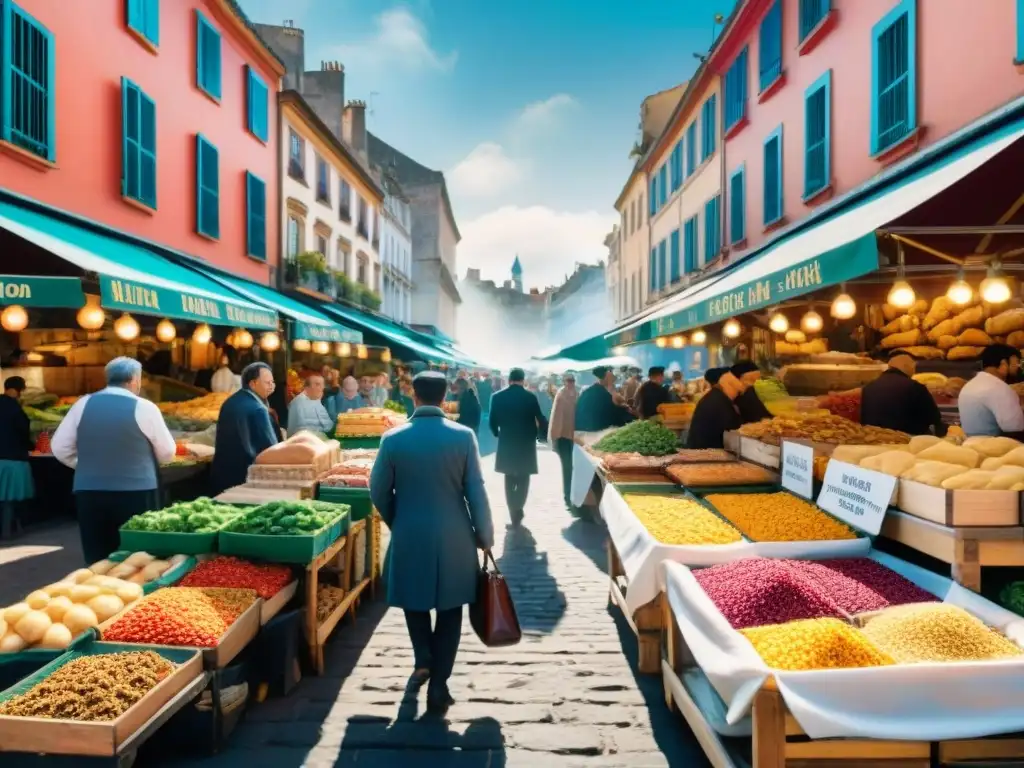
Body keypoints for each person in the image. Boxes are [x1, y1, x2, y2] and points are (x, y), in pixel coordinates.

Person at [369, 371, 493, 715]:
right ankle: (439, 684)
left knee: (415, 600)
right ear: (445, 398)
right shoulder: (464, 436)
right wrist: (485, 535)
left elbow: (378, 491)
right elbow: (476, 492)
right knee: (451, 611)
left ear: (413, 396)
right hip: (455, 536)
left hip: (410, 531)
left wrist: (399, 518)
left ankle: (423, 656)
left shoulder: (392, 439)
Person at [51, 358, 176, 562]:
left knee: (97, 555)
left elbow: (60, 447)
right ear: (135, 380)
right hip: (136, 492)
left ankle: (98, 590)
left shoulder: (82, 403)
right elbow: (167, 452)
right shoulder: (144, 407)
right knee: (137, 556)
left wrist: (84, 465)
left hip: (90, 492)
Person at [489, 368, 548, 526]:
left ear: (509, 379)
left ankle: (513, 509)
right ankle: (518, 507)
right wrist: (542, 434)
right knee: (524, 476)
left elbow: (492, 421)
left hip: (507, 441)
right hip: (526, 443)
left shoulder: (497, 397)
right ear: (523, 380)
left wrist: (497, 434)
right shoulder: (530, 397)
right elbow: (540, 418)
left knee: (509, 476)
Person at [210, 362, 279, 495]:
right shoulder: (259, 409)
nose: (271, 386)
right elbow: (272, 449)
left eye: (272, 382)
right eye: (267, 382)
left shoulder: (231, 401)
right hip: (245, 479)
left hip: (221, 476)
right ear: (252, 384)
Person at [860, 353, 946, 436]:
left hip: (874, 436)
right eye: (913, 367)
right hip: (905, 439)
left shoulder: (869, 386)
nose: (914, 371)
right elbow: (934, 418)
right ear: (907, 367)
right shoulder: (914, 387)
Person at [958, 344, 1024, 437]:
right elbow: (1015, 428)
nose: (1019, 368)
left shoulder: (969, 385)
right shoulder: (1000, 388)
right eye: (1016, 363)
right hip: (995, 448)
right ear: (1003, 365)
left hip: (970, 444)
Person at [0, 376, 35, 538]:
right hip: (13, 460)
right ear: (18, 390)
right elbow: (23, 434)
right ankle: (9, 530)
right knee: (10, 500)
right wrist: (31, 446)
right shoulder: (15, 410)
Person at [686, 368, 743, 450]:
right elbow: (732, 428)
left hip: (701, 449)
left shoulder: (714, 396)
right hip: (708, 453)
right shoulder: (720, 400)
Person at [548, 372, 579, 510]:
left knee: (572, 467)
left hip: (575, 437)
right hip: (565, 437)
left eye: (572, 380)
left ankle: (571, 494)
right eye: (568, 380)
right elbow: (556, 416)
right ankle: (568, 495)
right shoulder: (562, 395)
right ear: (564, 381)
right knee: (567, 467)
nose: (570, 383)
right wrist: (555, 436)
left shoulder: (576, 394)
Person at [575, 366, 635, 432]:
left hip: (585, 426)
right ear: (607, 375)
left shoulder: (587, 392)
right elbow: (613, 411)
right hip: (598, 427)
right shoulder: (604, 393)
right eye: (611, 372)